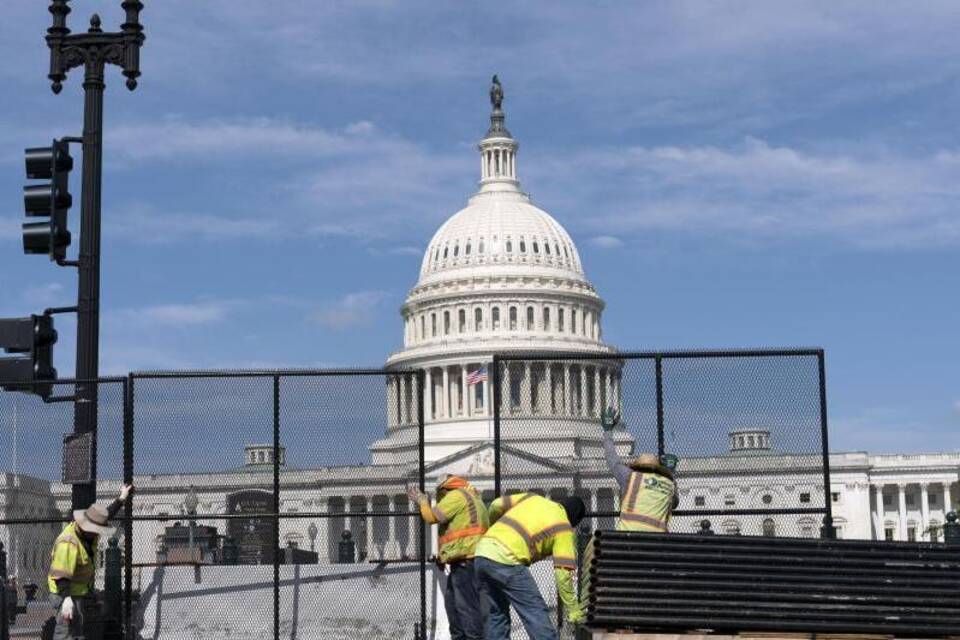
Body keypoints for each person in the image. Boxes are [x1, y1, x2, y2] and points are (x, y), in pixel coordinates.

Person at [474, 492, 586, 640]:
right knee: (535, 613)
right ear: (575, 519)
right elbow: (563, 575)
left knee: (497, 615)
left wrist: (494, 528)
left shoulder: (534, 498)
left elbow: (496, 505)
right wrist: (573, 610)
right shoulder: (563, 527)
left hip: (482, 553)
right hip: (507, 560)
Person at [47, 484, 133, 640]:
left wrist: (122, 498)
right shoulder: (69, 543)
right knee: (65, 632)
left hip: (78, 592)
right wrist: (66, 600)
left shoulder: (88, 533)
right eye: (97, 530)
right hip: (64, 592)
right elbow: (61, 576)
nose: (99, 534)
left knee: (78, 630)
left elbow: (106, 515)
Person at [407, 475, 488, 640]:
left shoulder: (457, 496)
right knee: (453, 607)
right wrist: (444, 557)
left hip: (467, 561)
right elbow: (457, 532)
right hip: (464, 561)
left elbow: (431, 517)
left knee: (466, 609)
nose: (441, 499)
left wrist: (423, 500)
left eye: (440, 495)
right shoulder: (473, 497)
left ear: (445, 489)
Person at [600, 408, 679, 531]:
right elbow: (674, 503)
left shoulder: (630, 477)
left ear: (638, 466)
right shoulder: (668, 483)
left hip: (628, 539)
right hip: (658, 541)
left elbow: (612, 460)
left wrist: (608, 431)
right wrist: (670, 472)